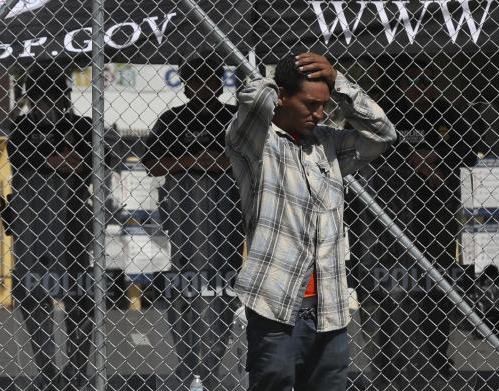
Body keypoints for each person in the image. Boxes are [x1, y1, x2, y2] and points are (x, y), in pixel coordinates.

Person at [226, 53, 395, 391]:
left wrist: (339, 82)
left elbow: (383, 135)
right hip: (275, 306)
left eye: (324, 105)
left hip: (329, 307)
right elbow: (254, 98)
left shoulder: (327, 143)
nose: (318, 113)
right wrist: (277, 77)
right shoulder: (254, 143)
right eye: (310, 104)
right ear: (283, 96)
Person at [351, 60, 481, 388]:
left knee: (434, 284)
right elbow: (364, 148)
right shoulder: (384, 111)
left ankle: (435, 358)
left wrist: (436, 161)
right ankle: (388, 364)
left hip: (434, 214)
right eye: (415, 82)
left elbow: (466, 150)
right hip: (389, 219)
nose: (423, 88)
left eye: (428, 80)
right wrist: (409, 158)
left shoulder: (446, 113)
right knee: (388, 289)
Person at [3, 67, 111, 391]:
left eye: (52, 97)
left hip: (72, 216)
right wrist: (59, 160)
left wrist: (55, 161)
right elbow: (24, 161)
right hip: (31, 216)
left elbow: (90, 163)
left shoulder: (80, 125)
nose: (46, 104)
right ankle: (49, 368)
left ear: (64, 97)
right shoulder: (22, 127)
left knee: (78, 292)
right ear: (30, 101)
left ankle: (77, 369)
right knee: (33, 292)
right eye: (38, 98)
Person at [142, 57, 243, 390]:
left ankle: (213, 362)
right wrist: (199, 161)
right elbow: (153, 164)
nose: (201, 87)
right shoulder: (173, 118)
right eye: (195, 81)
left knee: (223, 284)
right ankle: (190, 364)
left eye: (208, 80)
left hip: (225, 213)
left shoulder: (232, 116)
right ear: (185, 84)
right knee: (187, 285)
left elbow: (248, 159)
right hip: (183, 215)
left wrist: (198, 162)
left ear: (219, 83)